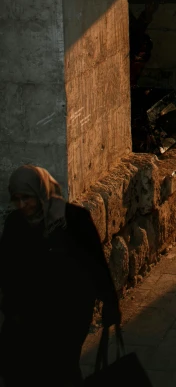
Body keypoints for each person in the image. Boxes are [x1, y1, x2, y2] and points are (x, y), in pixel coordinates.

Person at [0, 165, 120, 386]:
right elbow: (7, 269)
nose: (22, 205)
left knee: (62, 368)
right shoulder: (16, 223)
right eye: (17, 199)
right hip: (28, 314)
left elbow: (95, 264)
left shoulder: (75, 220)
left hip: (69, 314)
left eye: (27, 197)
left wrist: (110, 303)